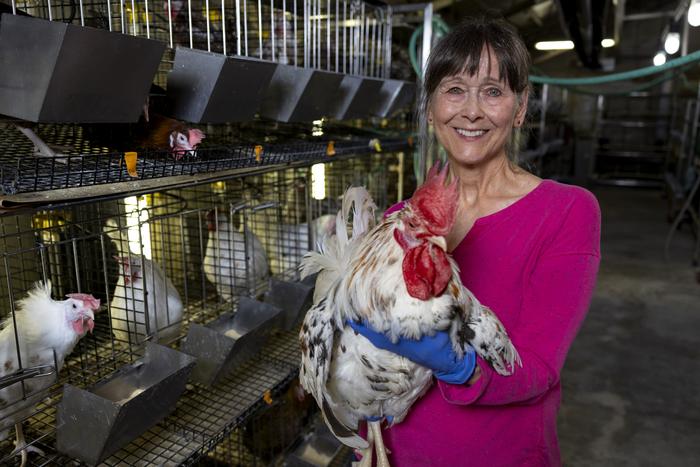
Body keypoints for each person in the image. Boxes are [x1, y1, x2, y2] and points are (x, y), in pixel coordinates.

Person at [350, 16, 601, 466]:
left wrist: (460, 366)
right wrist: (363, 421)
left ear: (520, 107)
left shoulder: (567, 212)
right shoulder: (400, 225)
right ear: (430, 107)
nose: (471, 111)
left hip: (501, 454)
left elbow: (541, 368)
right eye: (453, 90)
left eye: (492, 91)